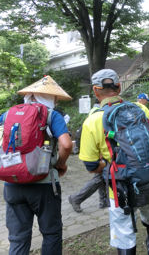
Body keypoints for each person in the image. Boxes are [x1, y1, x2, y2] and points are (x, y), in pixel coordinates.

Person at [79, 69, 149, 255]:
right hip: (148, 179)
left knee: (124, 234)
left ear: (95, 90)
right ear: (118, 86)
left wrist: (108, 165)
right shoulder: (140, 109)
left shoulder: (92, 121)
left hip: (119, 188)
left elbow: (91, 166)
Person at [1, 75, 73, 255]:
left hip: (12, 183)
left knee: (18, 237)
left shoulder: (8, 114)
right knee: (51, 233)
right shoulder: (51, 115)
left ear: (30, 95)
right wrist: (60, 165)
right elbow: (66, 144)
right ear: (48, 98)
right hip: (44, 184)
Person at [68, 102, 108, 213]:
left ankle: (104, 201)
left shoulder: (95, 111)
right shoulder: (98, 112)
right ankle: (76, 198)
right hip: (98, 152)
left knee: (102, 177)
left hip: (97, 151)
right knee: (99, 178)